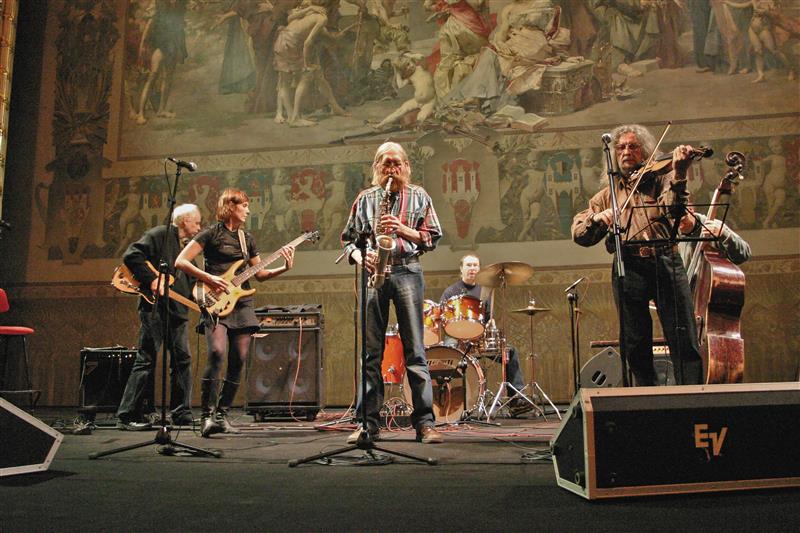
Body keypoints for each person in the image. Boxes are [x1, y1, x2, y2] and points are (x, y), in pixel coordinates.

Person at [571, 124, 704, 386]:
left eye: (633, 146)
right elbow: (579, 234)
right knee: (635, 342)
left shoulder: (662, 181)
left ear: (645, 151)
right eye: (620, 147)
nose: (626, 152)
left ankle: (693, 398)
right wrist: (597, 219)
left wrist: (679, 172)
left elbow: (676, 211)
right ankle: (645, 398)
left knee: (683, 335)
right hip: (628, 265)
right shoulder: (607, 195)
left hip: (665, 259)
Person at [340, 141, 445, 444]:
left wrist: (401, 228)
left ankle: (425, 424)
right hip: (373, 271)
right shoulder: (365, 198)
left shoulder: (419, 195)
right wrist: (361, 256)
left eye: (397, 163)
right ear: (377, 167)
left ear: (406, 166)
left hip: (407, 270)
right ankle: (368, 424)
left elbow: (432, 237)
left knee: (415, 351)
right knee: (371, 353)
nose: (392, 169)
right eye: (386, 163)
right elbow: (348, 240)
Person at [175, 188, 295, 437]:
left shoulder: (246, 239)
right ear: (230, 206)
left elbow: (260, 274)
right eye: (244, 205)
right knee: (217, 352)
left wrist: (284, 267)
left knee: (239, 358)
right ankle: (207, 416)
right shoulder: (211, 233)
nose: (248, 210)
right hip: (215, 299)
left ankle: (222, 415)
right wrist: (209, 278)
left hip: (241, 303)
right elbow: (181, 261)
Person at [116, 204, 202, 430]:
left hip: (178, 311)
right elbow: (131, 255)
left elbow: (190, 282)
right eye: (197, 222)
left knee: (182, 360)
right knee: (146, 358)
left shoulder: (186, 249)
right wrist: (153, 279)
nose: (199, 227)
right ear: (185, 220)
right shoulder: (160, 235)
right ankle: (127, 414)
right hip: (154, 308)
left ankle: (181, 412)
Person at [439, 253, 532, 416]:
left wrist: (490, 325)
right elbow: (443, 318)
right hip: (456, 336)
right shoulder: (450, 292)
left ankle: (516, 400)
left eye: (475, 265)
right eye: (468, 265)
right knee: (449, 351)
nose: (472, 268)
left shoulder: (485, 290)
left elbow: (487, 318)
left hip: (479, 337)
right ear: (461, 269)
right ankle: (452, 401)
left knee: (510, 352)